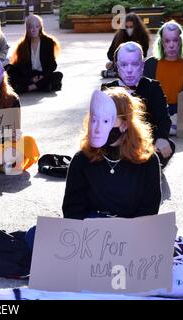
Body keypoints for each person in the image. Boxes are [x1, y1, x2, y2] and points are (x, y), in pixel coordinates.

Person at [25, 88, 161, 249]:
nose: (96, 127)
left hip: (130, 233)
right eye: (94, 120)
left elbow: (149, 209)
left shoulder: (148, 161)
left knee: (161, 241)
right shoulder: (82, 159)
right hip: (90, 232)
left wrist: (124, 236)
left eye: (105, 121)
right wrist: (86, 237)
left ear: (125, 124)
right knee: (35, 235)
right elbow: (73, 208)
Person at [102, 41, 174, 168]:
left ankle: (147, 171)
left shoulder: (153, 87)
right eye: (124, 65)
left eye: (134, 64)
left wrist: (161, 137)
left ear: (142, 65)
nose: (129, 70)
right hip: (117, 143)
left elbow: (163, 119)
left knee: (168, 145)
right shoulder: (108, 89)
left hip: (144, 142)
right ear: (116, 66)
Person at [144, 21, 183, 135]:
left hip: (182, 111)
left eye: (175, 40)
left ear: (181, 41)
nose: (172, 45)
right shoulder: (150, 64)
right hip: (158, 111)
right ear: (161, 43)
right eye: (167, 41)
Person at [8, 14, 63, 94]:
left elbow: (52, 65)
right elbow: (20, 66)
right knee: (10, 70)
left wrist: (42, 76)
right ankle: (42, 86)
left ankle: (28, 88)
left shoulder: (48, 42)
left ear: (40, 27)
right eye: (31, 27)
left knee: (58, 75)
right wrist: (31, 78)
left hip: (43, 74)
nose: (33, 30)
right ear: (27, 29)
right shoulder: (22, 45)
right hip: (29, 75)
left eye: (36, 26)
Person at [101, 13, 150, 78]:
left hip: (135, 62)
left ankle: (117, 74)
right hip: (121, 62)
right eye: (127, 27)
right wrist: (114, 61)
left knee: (147, 66)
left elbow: (144, 54)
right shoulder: (119, 36)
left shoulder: (143, 36)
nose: (129, 29)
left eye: (131, 27)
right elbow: (110, 53)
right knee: (108, 65)